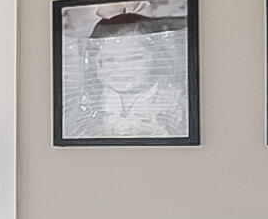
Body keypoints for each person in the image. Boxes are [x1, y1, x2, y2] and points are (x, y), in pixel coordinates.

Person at [68, 9, 189, 138]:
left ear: (156, 59)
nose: (121, 69)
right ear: (96, 64)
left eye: (135, 58)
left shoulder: (174, 100)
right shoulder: (92, 99)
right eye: (109, 60)